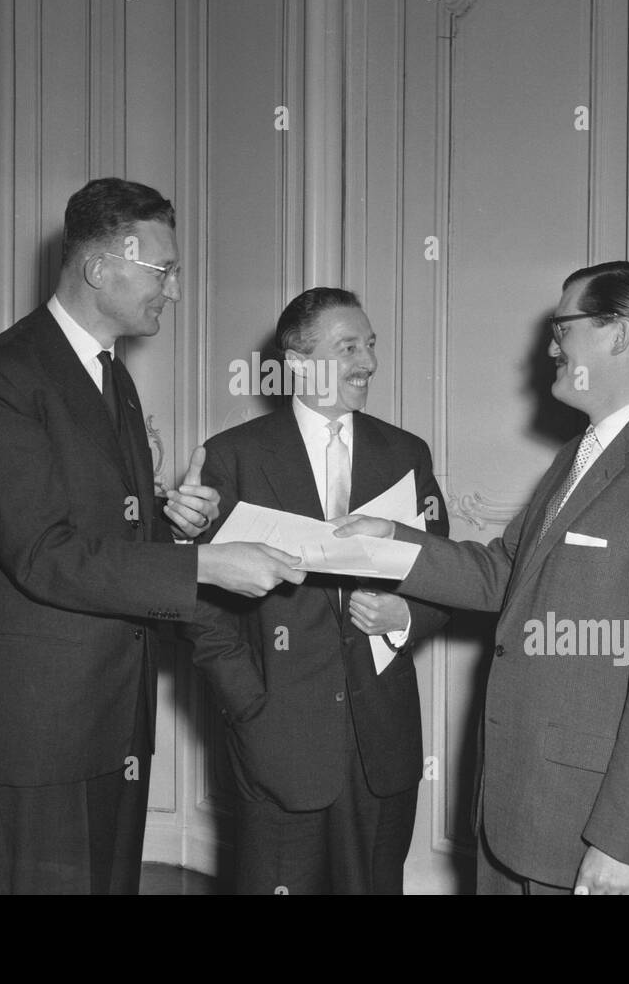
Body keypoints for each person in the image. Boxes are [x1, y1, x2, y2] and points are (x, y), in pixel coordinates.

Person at [0, 177, 304, 895]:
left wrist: (173, 525)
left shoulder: (111, 378)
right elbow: (42, 554)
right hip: (35, 720)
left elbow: (100, 534)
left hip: (112, 711)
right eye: (161, 270)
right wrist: (201, 566)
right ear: (101, 268)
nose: (172, 288)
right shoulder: (2, 380)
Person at [339, 261, 629, 895]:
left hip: (587, 837)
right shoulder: (581, 453)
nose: (550, 345)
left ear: (619, 334)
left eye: (563, 327)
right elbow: (506, 572)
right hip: (516, 817)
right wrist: (396, 542)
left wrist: (621, 844)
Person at [186, 288, 451, 894]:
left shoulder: (406, 454)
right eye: (349, 347)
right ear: (299, 364)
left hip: (381, 744)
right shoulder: (234, 458)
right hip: (277, 738)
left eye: (371, 345)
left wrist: (406, 614)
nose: (369, 362)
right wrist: (248, 700)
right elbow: (197, 602)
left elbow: (444, 573)